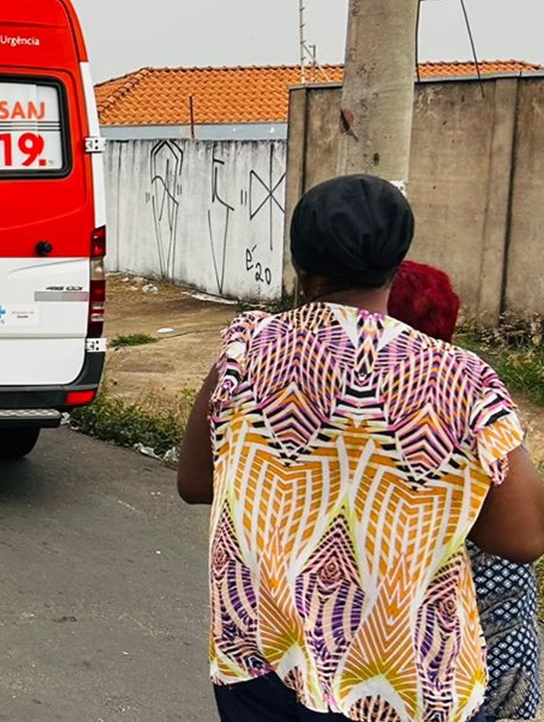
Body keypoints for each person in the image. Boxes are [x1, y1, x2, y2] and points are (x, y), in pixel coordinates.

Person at [178, 174, 544, 722]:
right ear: (397, 266)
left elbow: (195, 483)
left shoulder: (246, 349)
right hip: (405, 678)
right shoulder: (463, 379)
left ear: (300, 268)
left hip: (260, 654)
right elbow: (522, 537)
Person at [389, 261, 542, 722]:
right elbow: (527, 535)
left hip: (417, 664)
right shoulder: (474, 394)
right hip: (497, 650)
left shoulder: (358, 414)